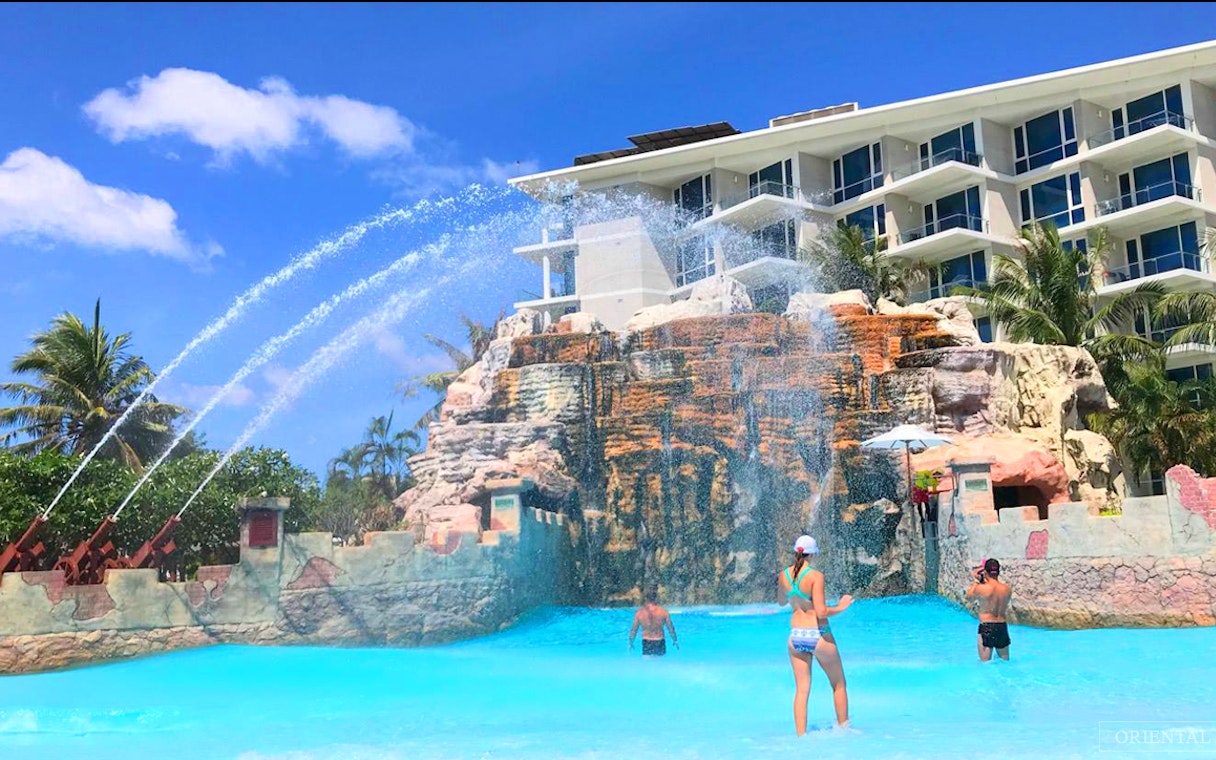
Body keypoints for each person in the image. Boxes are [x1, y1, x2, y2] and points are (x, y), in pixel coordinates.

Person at [778, 535, 854, 734]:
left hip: (795, 636)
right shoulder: (815, 576)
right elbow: (820, 612)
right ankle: (845, 732)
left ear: (796, 551)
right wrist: (841, 606)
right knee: (838, 684)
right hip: (818, 634)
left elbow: (781, 601)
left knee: (802, 690)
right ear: (812, 554)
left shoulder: (783, 575)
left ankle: (801, 738)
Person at [965, 557, 1012, 661]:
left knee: (985, 664)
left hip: (987, 627)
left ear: (985, 571)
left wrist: (977, 581)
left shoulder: (980, 588)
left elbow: (968, 598)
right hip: (1002, 627)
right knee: (1005, 663)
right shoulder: (1007, 589)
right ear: (998, 572)